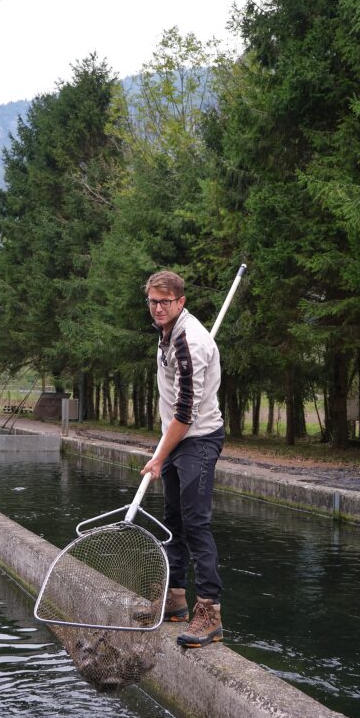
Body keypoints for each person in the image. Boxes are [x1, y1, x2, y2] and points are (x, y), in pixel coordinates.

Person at [140, 270, 225, 648]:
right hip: (176, 440)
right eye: (153, 302)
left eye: (165, 302)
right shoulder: (166, 334)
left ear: (180, 302)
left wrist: (158, 456)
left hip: (199, 441)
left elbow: (187, 412)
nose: (158, 308)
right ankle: (175, 599)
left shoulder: (189, 341)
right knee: (173, 521)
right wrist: (165, 449)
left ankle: (209, 612)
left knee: (195, 524)